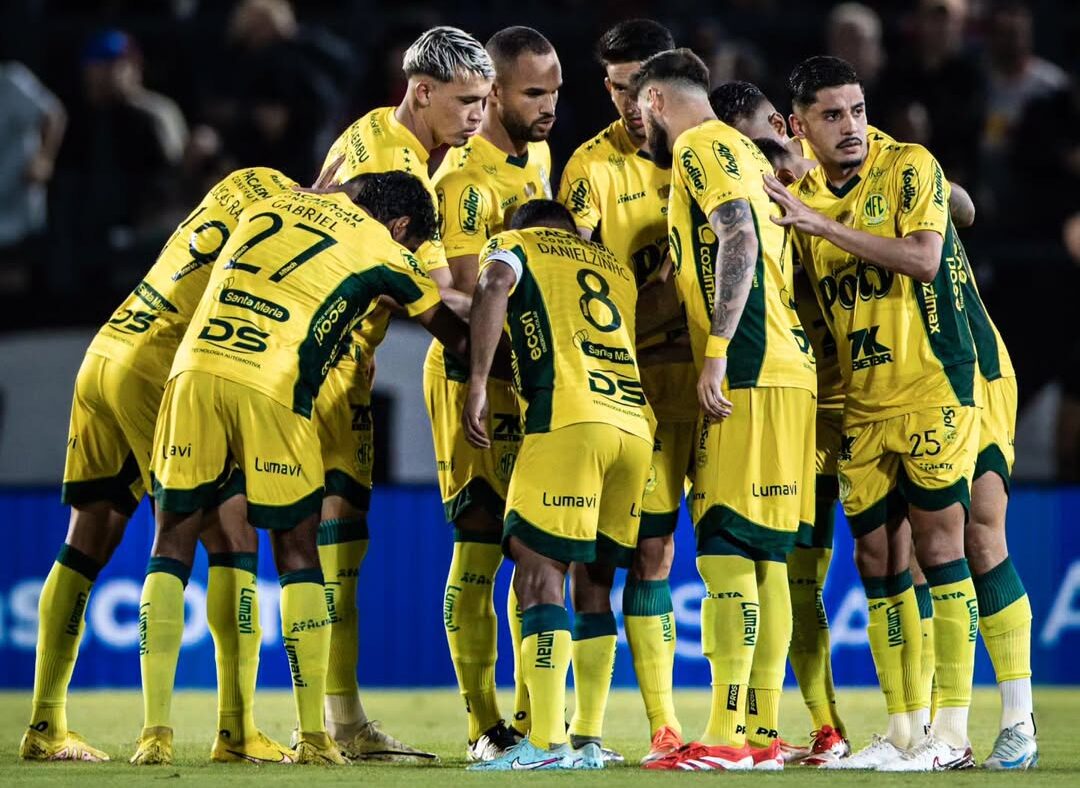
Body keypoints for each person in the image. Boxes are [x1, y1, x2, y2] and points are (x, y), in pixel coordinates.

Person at [130, 170, 469, 767]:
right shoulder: (387, 250)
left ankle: (154, 735)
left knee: (171, 543)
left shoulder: (274, 206)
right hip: (273, 384)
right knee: (296, 550)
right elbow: (454, 334)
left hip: (193, 371)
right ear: (401, 227)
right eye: (415, 244)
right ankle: (314, 735)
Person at [19, 167, 297, 765]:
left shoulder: (248, 180)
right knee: (229, 532)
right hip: (158, 367)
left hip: (107, 348)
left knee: (86, 538)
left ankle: (45, 724)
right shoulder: (297, 221)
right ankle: (229, 731)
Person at [764, 55, 980, 771]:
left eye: (856, 110)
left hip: (929, 386)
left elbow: (922, 258)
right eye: (831, 115)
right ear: (800, 126)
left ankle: (953, 733)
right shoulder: (798, 200)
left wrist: (820, 226)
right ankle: (904, 729)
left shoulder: (907, 166)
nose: (851, 126)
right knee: (878, 560)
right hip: (861, 400)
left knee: (939, 552)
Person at [310, 26, 493, 761]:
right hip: (326, 368)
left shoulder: (373, 135)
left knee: (314, 542)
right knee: (329, 548)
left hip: (324, 359)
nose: (478, 114)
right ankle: (334, 725)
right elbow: (431, 297)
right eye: (465, 100)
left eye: (484, 100)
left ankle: (328, 719)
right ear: (421, 91)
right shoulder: (396, 169)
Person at [633, 49, 818, 772]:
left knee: (725, 550)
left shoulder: (702, 145)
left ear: (654, 100)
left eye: (637, 109)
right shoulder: (744, 148)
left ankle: (723, 735)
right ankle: (761, 734)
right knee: (766, 555)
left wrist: (715, 351)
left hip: (748, 368)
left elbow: (737, 233)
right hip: (788, 369)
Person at [462, 199, 655, 771]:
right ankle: (587, 738)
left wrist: (478, 381)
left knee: (539, 573)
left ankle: (545, 744)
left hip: (568, 419)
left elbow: (493, 284)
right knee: (595, 584)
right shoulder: (615, 268)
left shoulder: (515, 243)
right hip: (633, 428)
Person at [556, 18, 690, 765]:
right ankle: (589, 729)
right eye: (615, 88)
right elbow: (571, 268)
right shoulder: (591, 167)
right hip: (627, 385)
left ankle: (683, 726)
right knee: (611, 555)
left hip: (712, 381)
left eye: (640, 86)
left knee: (679, 550)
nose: (630, 104)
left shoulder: (709, 151)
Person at [427, 25, 559, 760]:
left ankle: (534, 719)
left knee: (533, 543)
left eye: (556, 91)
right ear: (495, 94)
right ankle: (484, 726)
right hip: (469, 376)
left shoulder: (539, 158)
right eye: (534, 93)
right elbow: (460, 293)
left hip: (530, 380)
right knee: (479, 541)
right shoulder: (462, 181)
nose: (548, 106)